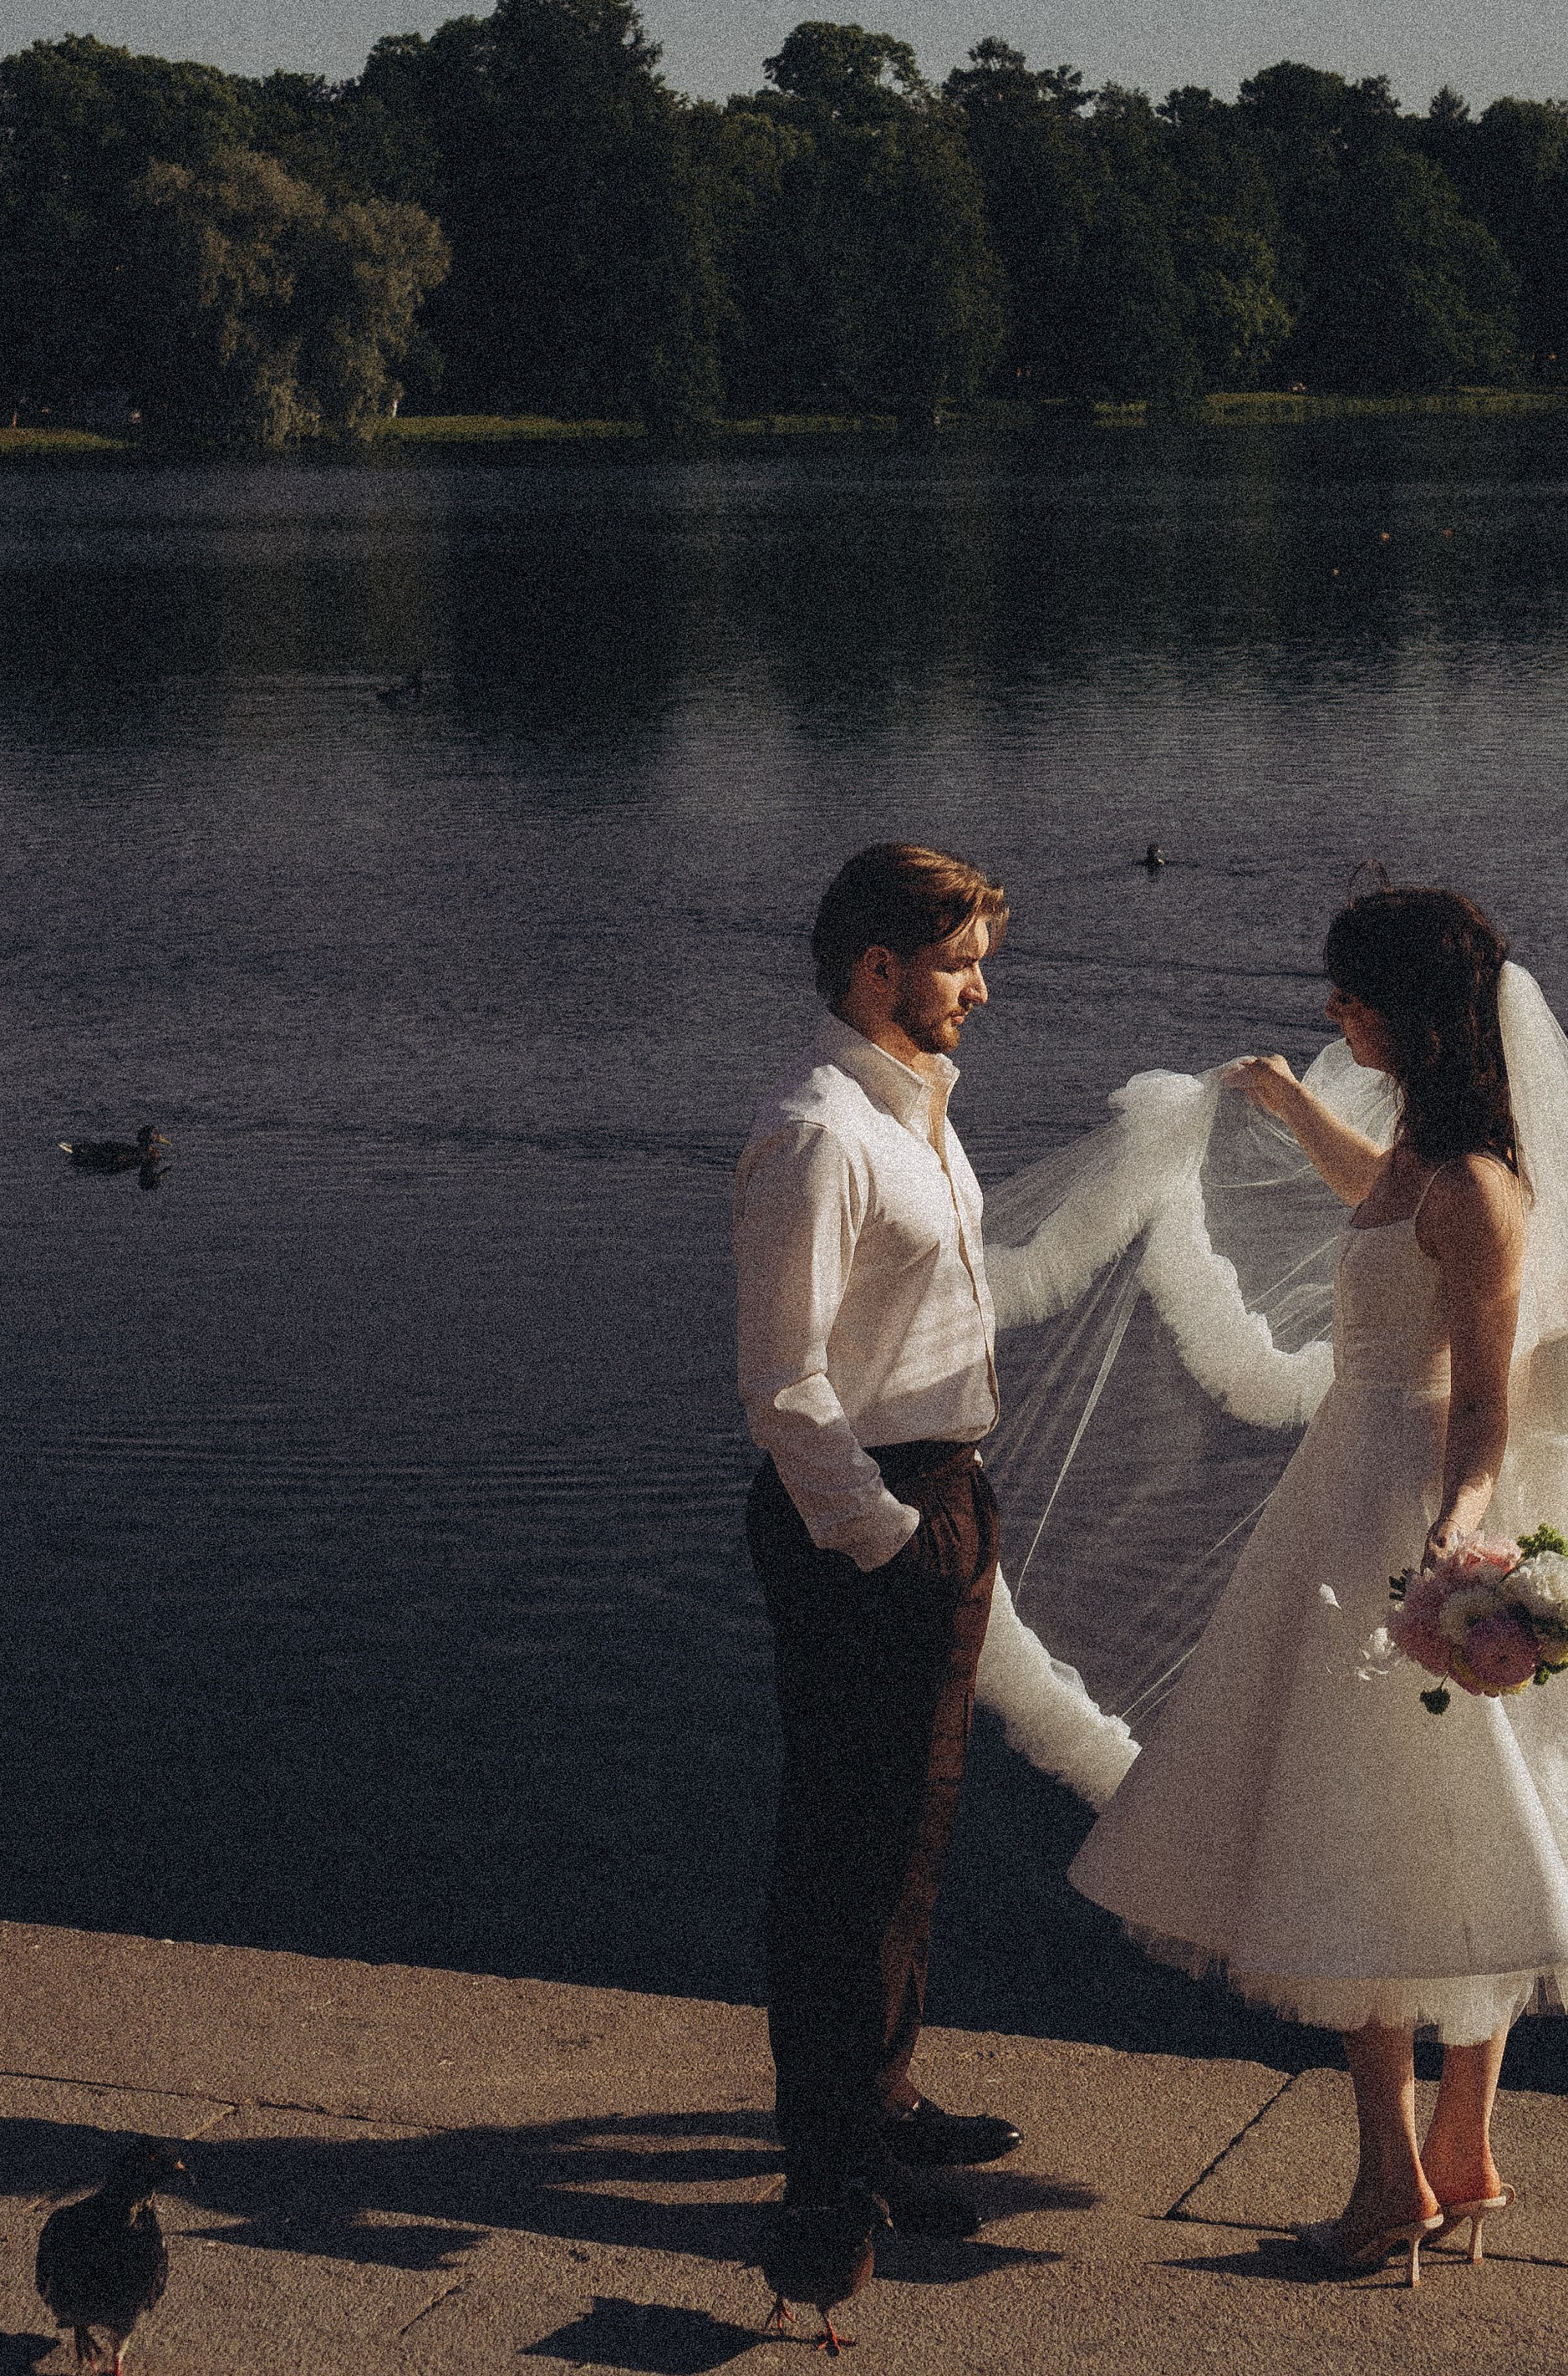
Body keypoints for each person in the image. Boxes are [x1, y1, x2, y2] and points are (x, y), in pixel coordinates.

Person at [1063, 889, 1568, 2283]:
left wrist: (1452, 1547)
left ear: (1410, 1009)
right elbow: (1380, 1209)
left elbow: (1480, 1407)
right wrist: (1294, 1112)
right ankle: (1457, 2158)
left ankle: (1385, 2187)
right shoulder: (1424, 1154)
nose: (1334, 1015)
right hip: (1350, 1488)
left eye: (1350, 996)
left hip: (1398, 1509)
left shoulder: (1479, 1188)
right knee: (1456, 1825)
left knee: (1368, 1833)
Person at [736, 843, 1026, 2236]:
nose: (980, 985)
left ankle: (883, 2093)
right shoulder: (817, 1134)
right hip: (865, 1514)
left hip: (939, 1493)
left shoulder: (916, 1109)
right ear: (879, 968)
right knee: (849, 1838)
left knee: (913, 1825)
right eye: (960, 961)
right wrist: (890, 1539)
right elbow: (785, 1384)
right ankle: (839, 2152)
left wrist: (945, 1517)